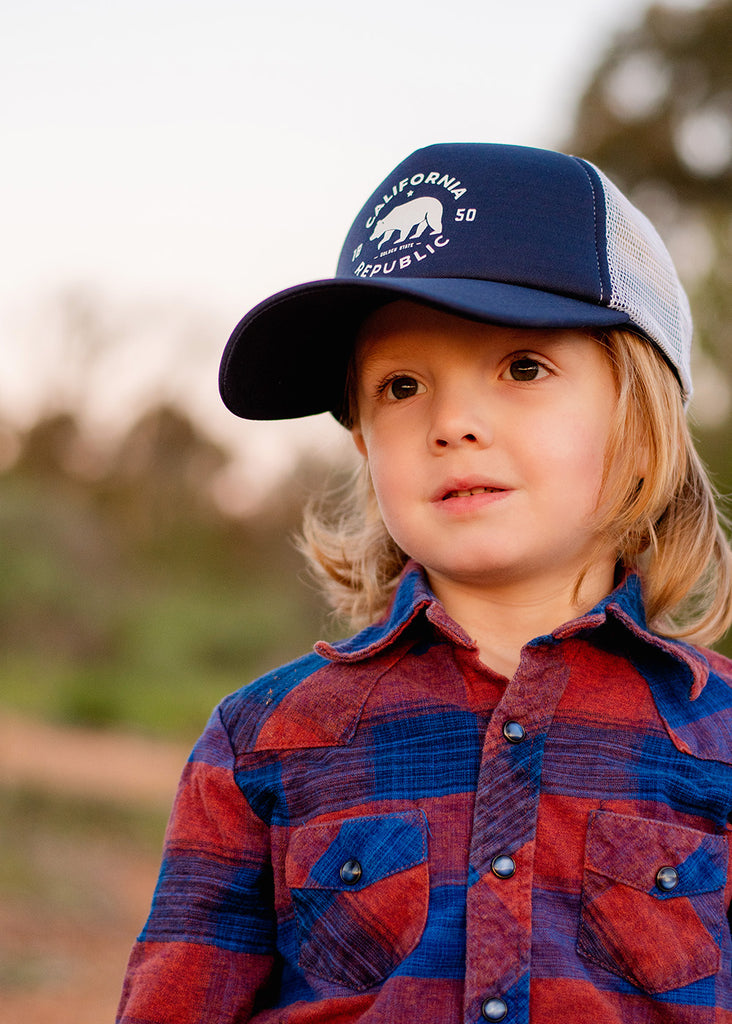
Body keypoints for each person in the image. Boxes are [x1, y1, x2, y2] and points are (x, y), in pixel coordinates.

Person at [117, 143, 732, 1024]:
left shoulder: (720, 739)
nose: (451, 424)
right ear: (364, 441)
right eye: (401, 386)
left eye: (523, 367)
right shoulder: (261, 744)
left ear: (642, 415)